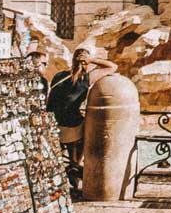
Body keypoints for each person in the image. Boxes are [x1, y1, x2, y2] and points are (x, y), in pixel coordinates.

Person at [46, 47, 117, 182]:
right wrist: (92, 60)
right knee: (91, 129)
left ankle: (72, 162)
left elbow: (51, 100)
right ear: (87, 62)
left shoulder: (58, 76)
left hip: (55, 123)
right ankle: (76, 163)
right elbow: (113, 66)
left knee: (78, 125)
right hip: (71, 125)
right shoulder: (86, 78)